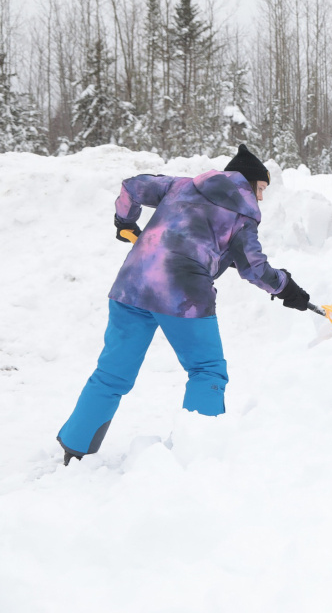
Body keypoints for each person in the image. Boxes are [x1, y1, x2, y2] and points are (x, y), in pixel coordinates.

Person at [57, 144, 310, 464]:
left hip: (132, 285)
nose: (260, 197)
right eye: (260, 188)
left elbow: (132, 187)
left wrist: (125, 221)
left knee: (111, 374)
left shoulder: (181, 185)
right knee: (207, 370)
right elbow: (254, 268)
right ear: (246, 181)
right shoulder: (243, 212)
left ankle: (75, 448)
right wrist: (287, 288)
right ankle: (199, 456)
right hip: (183, 295)